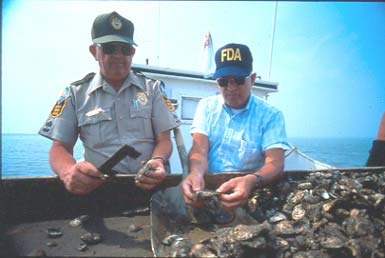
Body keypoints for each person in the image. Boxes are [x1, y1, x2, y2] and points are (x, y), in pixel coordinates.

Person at [39, 11, 179, 195]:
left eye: (125, 49)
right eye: (110, 48)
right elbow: (59, 149)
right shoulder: (75, 93)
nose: (118, 55)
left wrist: (158, 161)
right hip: (98, 190)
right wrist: (68, 172)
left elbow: (164, 140)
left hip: (150, 188)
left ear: (133, 53)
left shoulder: (152, 89)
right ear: (94, 51)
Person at [182, 43, 289, 209]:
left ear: (252, 79)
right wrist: (195, 173)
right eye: (223, 82)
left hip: (250, 192)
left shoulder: (271, 115)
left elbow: (275, 163)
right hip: (207, 189)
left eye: (238, 80)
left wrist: (251, 180)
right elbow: (199, 150)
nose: (230, 88)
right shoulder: (206, 106)